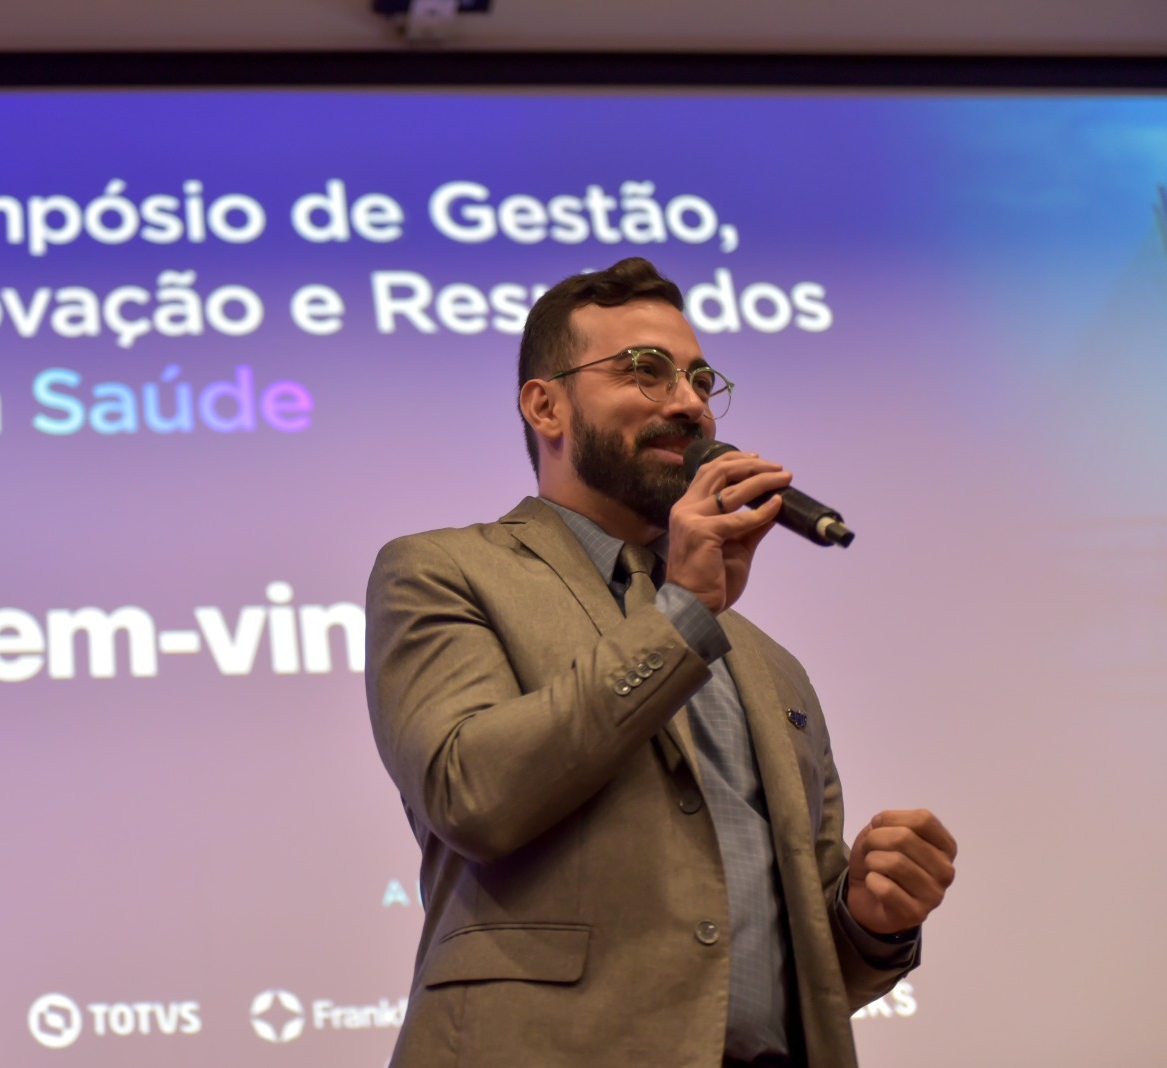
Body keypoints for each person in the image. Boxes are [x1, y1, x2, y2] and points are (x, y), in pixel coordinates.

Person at [365, 257, 957, 1068]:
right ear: (545, 405)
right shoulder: (443, 572)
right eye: (644, 370)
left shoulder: (769, 665)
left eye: (700, 379)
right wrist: (682, 614)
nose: (687, 402)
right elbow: (470, 795)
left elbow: (790, 973)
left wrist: (872, 920)